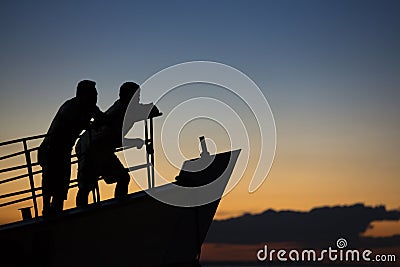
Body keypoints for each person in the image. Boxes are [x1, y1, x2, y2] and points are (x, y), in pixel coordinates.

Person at [75, 81, 160, 206]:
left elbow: (152, 110)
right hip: (92, 148)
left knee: (120, 178)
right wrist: (135, 141)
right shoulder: (121, 111)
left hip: (99, 148)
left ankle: (118, 204)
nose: (138, 98)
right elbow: (114, 137)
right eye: (136, 95)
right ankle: (85, 213)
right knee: (87, 186)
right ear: (127, 96)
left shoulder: (123, 109)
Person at [38, 80, 105, 215]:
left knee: (61, 186)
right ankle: (46, 210)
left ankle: (55, 212)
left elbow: (102, 118)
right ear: (83, 95)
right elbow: (73, 122)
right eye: (93, 94)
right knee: (51, 182)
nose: (96, 96)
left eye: (96, 94)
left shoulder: (90, 107)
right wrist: (92, 124)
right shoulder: (71, 106)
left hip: (63, 151)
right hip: (51, 149)